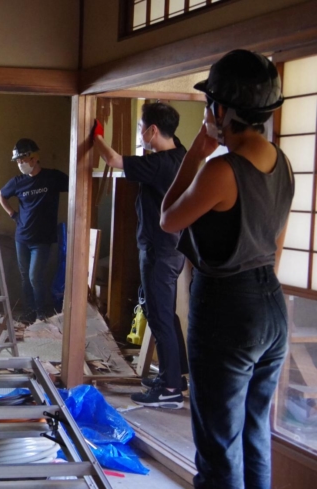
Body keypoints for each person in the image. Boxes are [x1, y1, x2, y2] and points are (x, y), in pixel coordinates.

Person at [161, 50, 290, 489]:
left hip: (228, 309)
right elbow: (276, 243)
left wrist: (198, 149)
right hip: (272, 304)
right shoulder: (283, 163)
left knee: (218, 444)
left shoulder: (222, 170)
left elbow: (168, 218)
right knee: (255, 433)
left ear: (220, 110)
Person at [92, 103, 190, 409]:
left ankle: (171, 388)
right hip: (174, 248)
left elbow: (112, 159)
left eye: (140, 127)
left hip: (160, 250)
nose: (139, 133)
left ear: (153, 131)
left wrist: (94, 134)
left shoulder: (159, 163)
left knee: (160, 317)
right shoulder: (181, 155)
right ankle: (177, 376)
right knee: (165, 314)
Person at [0, 138, 69, 324]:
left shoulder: (52, 177)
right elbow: (0, 195)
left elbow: (76, 184)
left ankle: (41, 314)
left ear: (35, 158)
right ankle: (29, 312)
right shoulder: (18, 182)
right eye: (18, 161)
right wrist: (13, 214)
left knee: (35, 276)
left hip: (42, 240)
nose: (20, 164)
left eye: (23, 159)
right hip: (22, 238)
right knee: (25, 278)